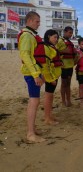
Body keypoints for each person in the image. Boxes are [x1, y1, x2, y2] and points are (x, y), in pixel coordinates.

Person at [17, 11, 45, 143]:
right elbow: (25, 56)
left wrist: (41, 73)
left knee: (35, 101)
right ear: (29, 21)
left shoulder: (31, 35)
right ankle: (30, 133)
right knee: (34, 102)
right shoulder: (27, 36)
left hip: (34, 72)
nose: (39, 24)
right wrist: (35, 75)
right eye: (37, 21)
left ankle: (32, 128)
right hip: (31, 73)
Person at [42, 29, 63, 125]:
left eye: (57, 37)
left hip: (55, 75)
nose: (56, 39)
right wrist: (50, 79)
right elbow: (45, 65)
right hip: (51, 77)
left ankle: (49, 115)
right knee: (48, 96)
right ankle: (47, 118)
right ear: (48, 37)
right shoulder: (46, 48)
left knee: (50, 96)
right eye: (54, 37)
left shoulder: (52, 47)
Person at [56, 26, 77, 107]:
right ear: (65, 32)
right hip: (63, 66)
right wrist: (63, 51)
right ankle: (63, 101)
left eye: (71, 33)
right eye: (69, 33)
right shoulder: (60, 41)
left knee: (68, 83)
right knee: (63, 84)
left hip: (70, 66)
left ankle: (68, 100)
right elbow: (55, 51)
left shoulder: (70, 43)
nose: (71, 34)